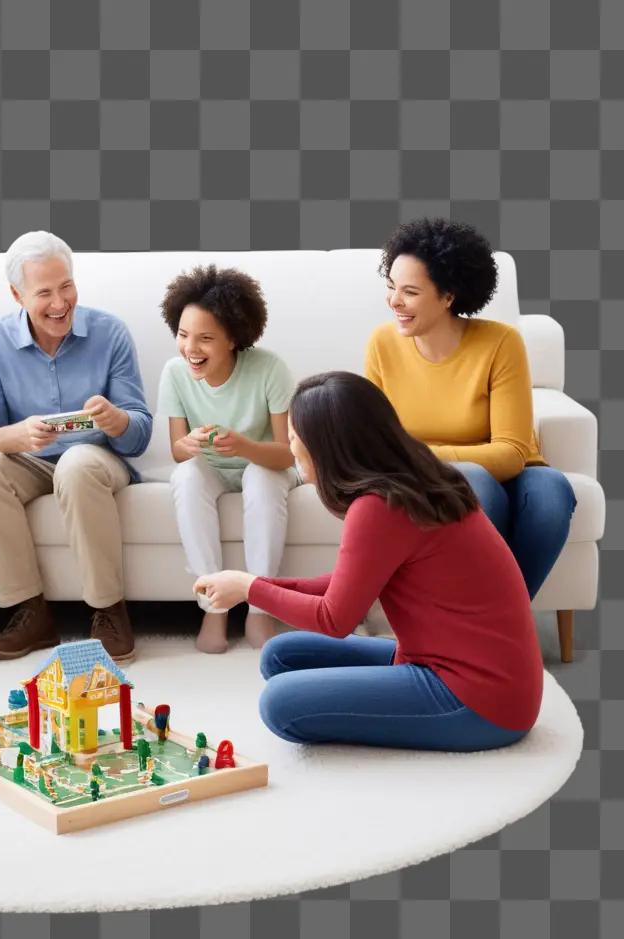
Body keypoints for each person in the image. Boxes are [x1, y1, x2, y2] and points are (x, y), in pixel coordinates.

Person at [194, 372, 543, 753]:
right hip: (467, 670)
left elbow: (335, 618)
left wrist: (249, 589)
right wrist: (252, 585)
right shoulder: (415, 480)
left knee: (279, 704)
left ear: (326, 447)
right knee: (282, 654)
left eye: (295, 437)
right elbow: (347, 583)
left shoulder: (378, 507)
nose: (290, 447)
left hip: (477, 700)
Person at [0, 231, 152, 663]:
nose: (60, 303)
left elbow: (139, 434)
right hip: (27, 461)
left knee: (78, 463)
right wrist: (17, 435)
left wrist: (116, 419)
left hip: (97, 459)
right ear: (17, 294)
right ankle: (30, 614)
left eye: (66, 286)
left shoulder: (109, 333)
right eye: (44, 292)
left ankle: (108, 610)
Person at [365, 218, 576, 603]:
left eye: (409, 292)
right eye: (391, 286)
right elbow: (375, 440)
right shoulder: (382, 344)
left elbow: (512, 454)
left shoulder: (500, 342)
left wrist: (420, 453)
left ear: (448, 296)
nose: (394, 301)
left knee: (552, 494)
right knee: (474, 481)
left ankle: (499, 620)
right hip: (440, 478)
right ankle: (490, 629)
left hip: (512, 472)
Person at [157, 265, 297, 654]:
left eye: (205, 338)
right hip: (212, 467)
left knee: (262, 479)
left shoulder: (269, 368)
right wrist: (193, 442)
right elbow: (177, 451)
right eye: (183, 336)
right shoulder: (174, 373)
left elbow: (287, 452)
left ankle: (260, 606)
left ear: (233, 338)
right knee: (186, 477)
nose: (190, 349)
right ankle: (213, 604)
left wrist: (245, 447)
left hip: (266, 465)